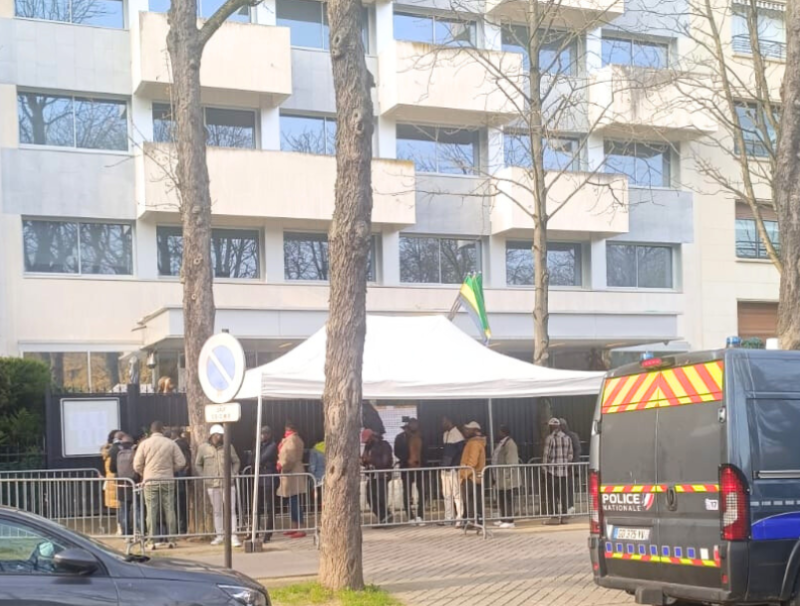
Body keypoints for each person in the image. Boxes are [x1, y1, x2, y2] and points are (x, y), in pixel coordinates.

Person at [133, 420, 186, 547]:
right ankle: (172, 539)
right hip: (167, 480)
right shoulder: (171, 444)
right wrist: (170, 470)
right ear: (162, 430)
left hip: (150, 481)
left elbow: (137, 465)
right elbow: (181, 462)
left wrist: (144, 473)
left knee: (151, 510)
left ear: (151, 430)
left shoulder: (144, 444)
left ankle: (152, 540)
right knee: (170, 509)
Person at [196, 424, 242, 547]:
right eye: (216, 435)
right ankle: (219, 535)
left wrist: (233, 473)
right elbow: (198, 464)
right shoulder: (203, 448)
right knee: (217, 511)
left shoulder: (229, 447)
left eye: (220, 435)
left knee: (231, 510)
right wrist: (204, 477)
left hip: (228, 483)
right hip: (212, 484)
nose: (219, 437)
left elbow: (236, 461)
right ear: (211, 435)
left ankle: (233, 536)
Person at [277, 422, 307, 538]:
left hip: (292, 472)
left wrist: (281, 465)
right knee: (292, 501)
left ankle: (300, 527)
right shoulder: (296, 439)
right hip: (295, 472)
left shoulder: (291, 440)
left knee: (295, 501)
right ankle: (295, 526)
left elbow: (289, 456)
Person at [394, 418, 425, 525]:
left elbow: (425, 451)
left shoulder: (421, 437)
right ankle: (410, 516)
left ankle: (420, 515)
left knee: (422, 492)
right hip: (406, 467)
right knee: (407, 492)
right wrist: (407, 459)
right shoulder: (400, 438)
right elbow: (397, 451)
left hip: (420, 468)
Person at [543, 418, 573, 525]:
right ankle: (564, 517)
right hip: (564, 471)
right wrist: (566, 465)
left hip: (552, 471)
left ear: (552, 427)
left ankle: (555, 517)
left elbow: (547, 455)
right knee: (563, 494)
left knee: (552, 495)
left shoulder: (550, 438)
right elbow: (570, 455)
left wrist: (544, 468)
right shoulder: (567, 438)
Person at [361, 429, 394, 525]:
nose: (366, 443)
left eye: (367, 440)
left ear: (372, 437)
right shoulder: (368, 447)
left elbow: (385, 462)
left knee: (381, 497)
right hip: (372, 475)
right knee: (370, 497)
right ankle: (383, 516)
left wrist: (371, 460)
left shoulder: (384, 445)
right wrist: (363, 461)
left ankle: (385, 517)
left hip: (382, 475)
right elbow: (365, 459)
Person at [459, 421, 486, 529]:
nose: (465, 431)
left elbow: (473, 461)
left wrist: (465, 474)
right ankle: (476, 522)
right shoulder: (475, 442)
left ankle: (472, 522)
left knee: (470, 500)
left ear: (475, 430)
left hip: (471, 476)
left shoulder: (474, 443)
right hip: (474, 476)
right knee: (474, 500)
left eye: (468, 429)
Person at [110, 433, 137, 540]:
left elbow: (112, 469)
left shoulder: (116, 452)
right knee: (137, 509)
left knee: (123, 510)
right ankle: (138, 532)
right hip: (134, 484)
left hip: (121, 484)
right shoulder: (136, 451)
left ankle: (126, 534)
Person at [492, 425, 519, 528]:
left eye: (499, 432)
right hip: (500, 477)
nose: (497, 433)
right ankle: (503, 518)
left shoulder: (510, 444)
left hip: (507, 478)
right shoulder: (502, 443)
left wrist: (507, 476)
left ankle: (510, 520)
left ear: (503, 432)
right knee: (502, 498)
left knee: (508, 499)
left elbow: (511, 462)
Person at [255, 425, 278, 542]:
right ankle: (255, 530)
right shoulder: (260, 445)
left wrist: (256, 459)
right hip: (259, 479)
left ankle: (268, 533)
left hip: (269, 478)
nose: (262, 436)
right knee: (256, 506)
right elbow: (252, 459)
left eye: (264, 434)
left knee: (269, 507)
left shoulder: (272, 446)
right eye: (261, 434)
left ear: (269, 435)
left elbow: (261, 458)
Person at [440, 416, 465, 526]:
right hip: (445, 468)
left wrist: (454, 465)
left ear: (449, 421)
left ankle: (460, 517)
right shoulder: (445, 434)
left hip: (454, 468)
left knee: (456, 494)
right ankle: (448, 517)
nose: (442, 424)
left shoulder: (457, 434)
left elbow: (460, 453)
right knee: (446, 494)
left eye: (444, 421)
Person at [559, 418, 582, 514]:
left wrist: (574, 465)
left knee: (568, 487)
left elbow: (577, 451)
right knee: (565, 487)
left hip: (569, 466)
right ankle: (567, 506)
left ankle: (570, 506)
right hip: (565, 466)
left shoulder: (571, 436)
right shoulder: (566, 436)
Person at [171, 429, 192, 534]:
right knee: (183, 503)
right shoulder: (186, 444)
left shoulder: (175, 445)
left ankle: (180, 528)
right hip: (185, 476)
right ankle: (183, 527)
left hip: (178, 476)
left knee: (177, 504)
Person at [101, 430, 121, 533]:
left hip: (110, 481)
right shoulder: (116, 451)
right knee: (121, 506)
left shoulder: (107, 452)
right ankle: (121, 528)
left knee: (119, 508)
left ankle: (120, 528)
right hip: (116, 480)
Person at [308, 440, 325, 514]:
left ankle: (316, 509)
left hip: (317, 476)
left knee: (316, 493)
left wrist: (310, 474)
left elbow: (312, 466)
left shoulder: (314, 450)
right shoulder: (331, 447)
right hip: (327, 475)